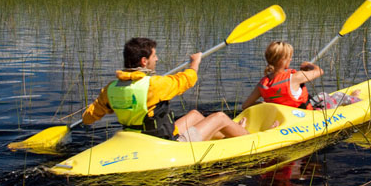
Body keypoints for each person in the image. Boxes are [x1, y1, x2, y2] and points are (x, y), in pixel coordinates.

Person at [82, 37, 248, 142]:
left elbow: (88, 118)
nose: (157, 59)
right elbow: (187, 79)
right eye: (154, 56)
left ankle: (230, 134)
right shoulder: (155, 85)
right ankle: (250, 138)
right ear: (144, 61)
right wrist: (195, 63)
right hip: (168, 144)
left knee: (195, 115)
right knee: (219, 117)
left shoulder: (110, 89)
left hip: (133, 139)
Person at [242, 41, 324, 110]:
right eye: (289, 57)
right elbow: (319, 71)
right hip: (301, 118)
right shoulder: (295, 77)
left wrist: (264, 104)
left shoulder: (262, 84)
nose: (290, 59)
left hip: (279, 120)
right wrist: (309, 65)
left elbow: (245, 106)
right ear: (282, 60)